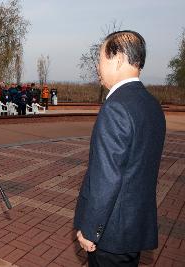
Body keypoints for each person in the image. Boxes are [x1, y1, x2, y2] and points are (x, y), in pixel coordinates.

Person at [73, 31, 166, 267]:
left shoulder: (115, 107)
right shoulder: (151, 104)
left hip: (111, 234)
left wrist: (91, 229)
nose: (97, 66)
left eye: (100, 58)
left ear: (118, 59)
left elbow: (107, 178)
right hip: (133, 228)